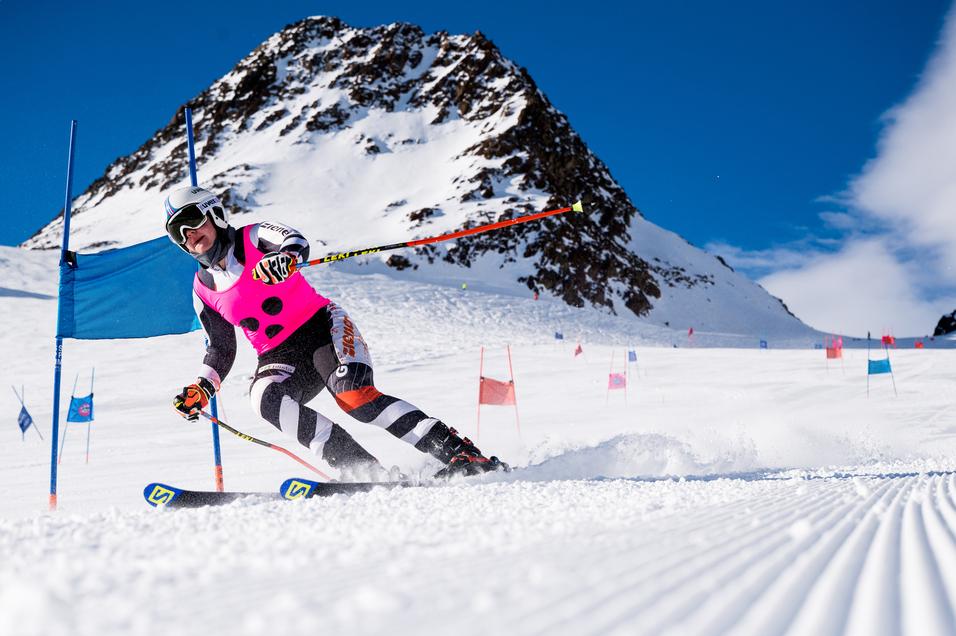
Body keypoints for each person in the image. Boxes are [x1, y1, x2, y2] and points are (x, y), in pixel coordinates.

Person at [164, 185, 508, 478]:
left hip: (321, 328)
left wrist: (286, 258)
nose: (189, 235)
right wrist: (202, 387)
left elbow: (293, 239)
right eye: (177, 232)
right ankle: (363, 469)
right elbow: (221, 350)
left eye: (191, 221)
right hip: (280, 356)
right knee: (263, 397)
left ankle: (459, 454)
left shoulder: (253, 237)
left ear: (214, 213)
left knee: (355, 398)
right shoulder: (202, 289)